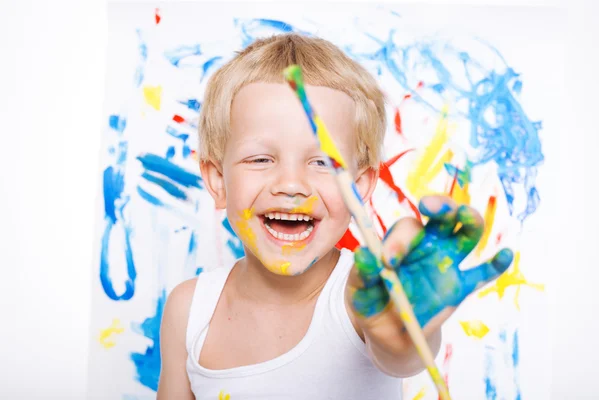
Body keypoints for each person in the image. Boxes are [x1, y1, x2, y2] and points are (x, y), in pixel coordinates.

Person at [157, 33, 513, 399]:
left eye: (323, 162)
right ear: (218, 181)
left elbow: (400, 355)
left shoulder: (362, 293)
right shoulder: (190, 310)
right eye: (261, 159)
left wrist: (405, 328)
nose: (292, 184)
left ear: (361, 187)